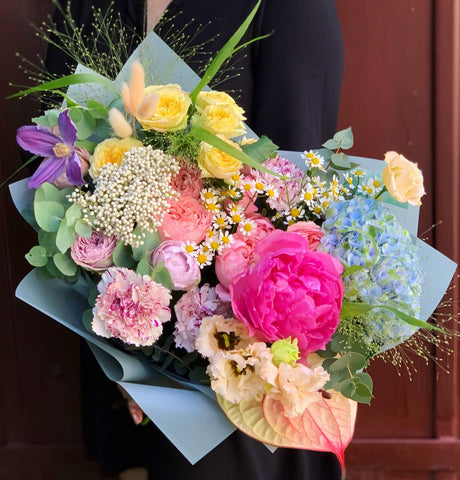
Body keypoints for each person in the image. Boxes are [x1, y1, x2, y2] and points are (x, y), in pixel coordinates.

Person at [45, 1, 344, 478]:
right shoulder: (85, 6)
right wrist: (125, 351)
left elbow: (294, 194)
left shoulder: (286, 8)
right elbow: (57, 167)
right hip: (114, 330)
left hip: (234, 364)